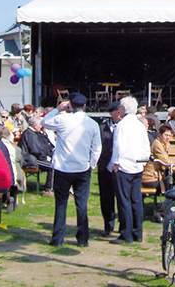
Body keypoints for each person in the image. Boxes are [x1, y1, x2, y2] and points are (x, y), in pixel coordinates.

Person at [42, 93, 101, 247]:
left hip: (63, 168)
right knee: (82, 204)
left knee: (61, 204)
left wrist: (57, 109)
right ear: (85, 106)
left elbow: (44, 122)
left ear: (70, 106)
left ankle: (57, 239)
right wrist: (92, 164)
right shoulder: (92, 124)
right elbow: (97, 148)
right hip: (82, 168)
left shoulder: (62, 119)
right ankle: (83, 239)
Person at [109, 96, 150, 243]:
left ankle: (126, 233)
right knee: (136, 200)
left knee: (124, 201)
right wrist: (143, 162)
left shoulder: (122, 125)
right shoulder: (139, 125)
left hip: (124, 166)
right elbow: (146, 146)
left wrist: (114, 162)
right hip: (137, 165)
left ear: (122, 109)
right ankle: (137, 232)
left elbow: (118, 146)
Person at [97, 100, 124, 236]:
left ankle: (123, 225)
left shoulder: (125, 126)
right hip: (105, 166)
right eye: (116, 112)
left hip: (120, 167)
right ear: (112, 113)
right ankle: (108, 225)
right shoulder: (102, 127)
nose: (118, 114)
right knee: (106, 197)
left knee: (121, 196)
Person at [19, 116, 56, 195]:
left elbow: (45, 146)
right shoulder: (29, 134)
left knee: (57, 164)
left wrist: (52, 154)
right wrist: (46, 157)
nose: (41, 126)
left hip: (37, 158)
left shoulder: (36, 133)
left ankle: (54, 186)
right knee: (53, 166)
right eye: (40, 124)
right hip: (30, 160)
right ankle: (49, 189)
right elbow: (35, 150)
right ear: (34, 125)